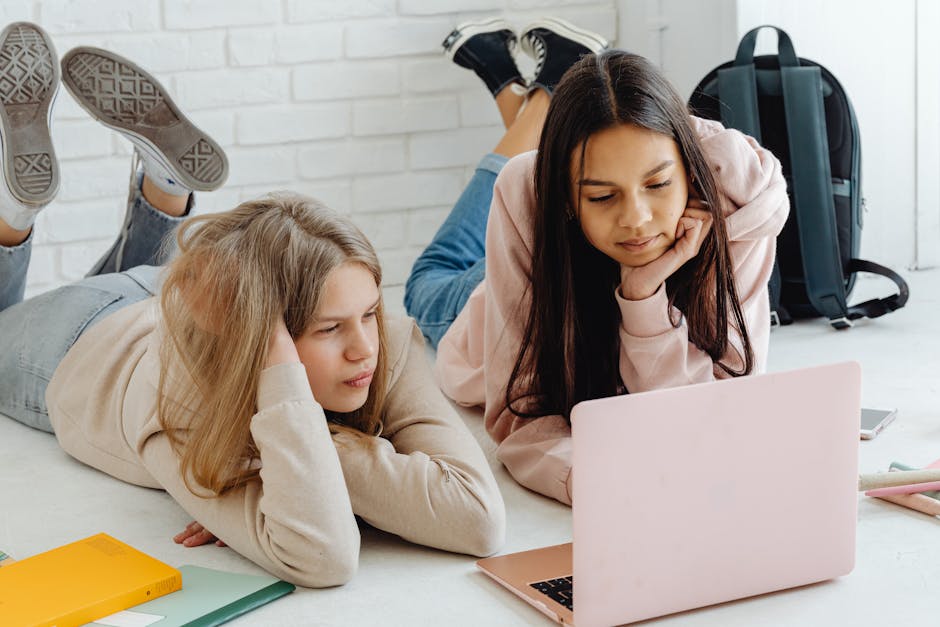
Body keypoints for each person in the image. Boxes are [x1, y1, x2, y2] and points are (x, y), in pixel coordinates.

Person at [0, 22, 504, 587]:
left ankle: (160, 187)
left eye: (367, 312)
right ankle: (13, 214)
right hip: (81, 339)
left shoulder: (381, 339)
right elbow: (324, 557)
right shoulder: (188, 401)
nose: (365, 346)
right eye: (330, 328)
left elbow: (478, 521)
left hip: (171, 287)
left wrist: (289, 462)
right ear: (268, 337)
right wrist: (290, 464)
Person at [405, 18, 789, 506]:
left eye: (658, 185)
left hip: (577, 231)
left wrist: (644, 295)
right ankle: (543, 103)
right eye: (603, 196)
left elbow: (707, 416)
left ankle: (543, 102)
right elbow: (521, 422)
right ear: (569, 199)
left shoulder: (739, 209)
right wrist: (603, 486)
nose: (638, 220)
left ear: (689, 172)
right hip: (530, 273)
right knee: (425, 284)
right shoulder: (528, 196)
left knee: (545, 169)